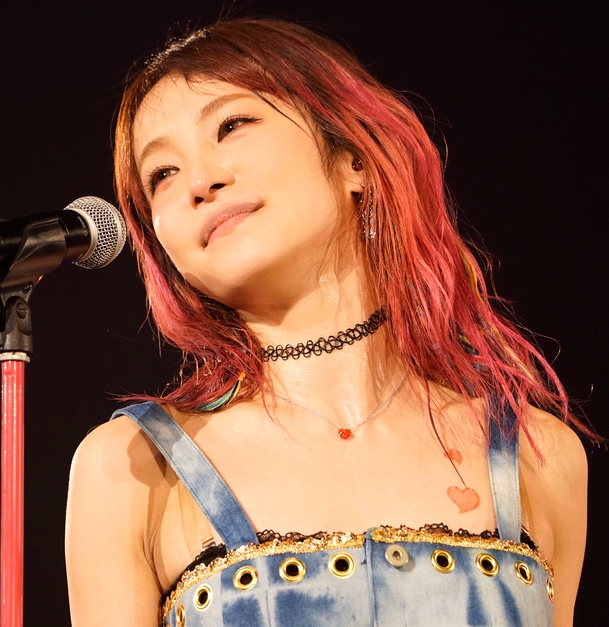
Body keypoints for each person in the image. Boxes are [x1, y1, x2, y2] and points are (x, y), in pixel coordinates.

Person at [65, 18, 590, 627]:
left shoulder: (538, 457)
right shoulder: (132, 469)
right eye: (162, 174)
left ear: (352, 158)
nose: (200, 182)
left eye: (232, 126)